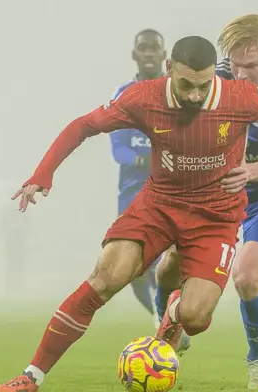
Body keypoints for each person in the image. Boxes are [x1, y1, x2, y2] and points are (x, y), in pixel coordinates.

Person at [0, 35, 258, 392]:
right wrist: (43, 173)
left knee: (194, 318)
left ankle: (177, 309)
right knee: (105, 277)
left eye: (203, 85)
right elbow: (84, 125)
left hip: (216, 218)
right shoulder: (143, 97)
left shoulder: (240, 98)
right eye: (186, 84)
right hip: (159, 206)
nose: (194, 95)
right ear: (169, 69)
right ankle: (31, 376)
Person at [154, 14, 258, 388]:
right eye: (236, 65)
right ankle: (170, 323)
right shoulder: (216, 77)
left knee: (246, 278)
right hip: (219, 189)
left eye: (252, 67)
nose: (241, 76)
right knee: (167, 267)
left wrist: (244, 171)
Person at [109, 29, 166, 327]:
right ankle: (161, 319)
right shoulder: (124, 94)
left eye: (153, 48)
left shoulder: (174, 92)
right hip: (133, 193)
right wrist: (149, 158)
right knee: (132, 270)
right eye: (142, 48)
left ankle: (173, 316)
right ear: (134, 54)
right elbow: (118, 149)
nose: (147, 53)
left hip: (172, 191)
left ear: (164, 55)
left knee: (169, 265)